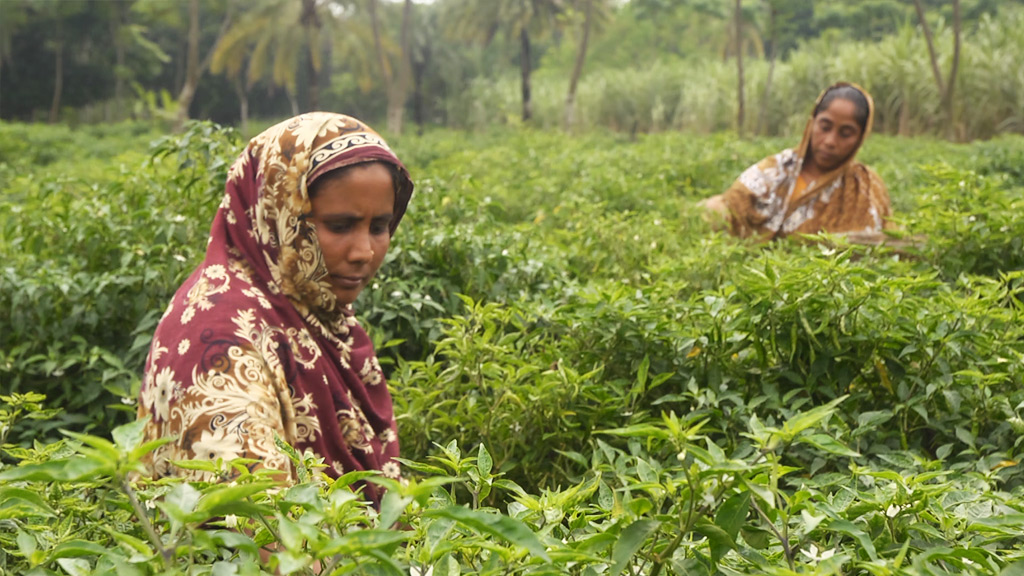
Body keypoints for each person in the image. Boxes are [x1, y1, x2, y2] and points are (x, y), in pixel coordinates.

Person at [136, 113, 414, 505]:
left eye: (379, 226)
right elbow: (258, 530)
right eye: (339, 226)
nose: (364, 252)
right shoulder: (219, 340)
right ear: (279, 213)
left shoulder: (314, 310)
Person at [701, 82, 891, 242]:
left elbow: (876, 242)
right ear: (812, 123)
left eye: (846, 134)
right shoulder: (778, 169)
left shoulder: (863, 188)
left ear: (860, 138)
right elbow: (734, 203)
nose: (830, 141)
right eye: (825, 127)